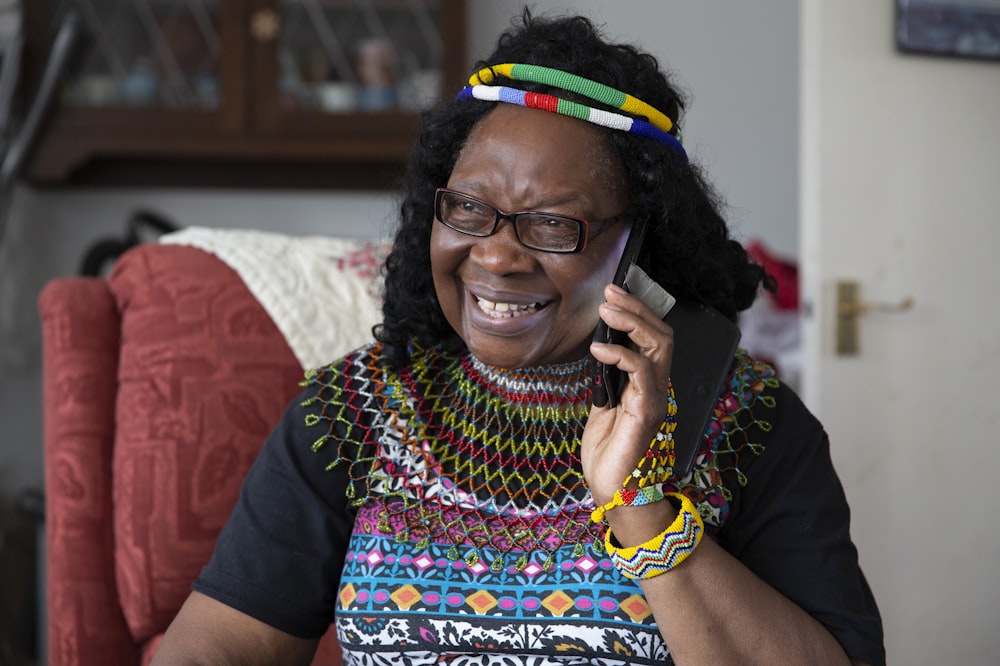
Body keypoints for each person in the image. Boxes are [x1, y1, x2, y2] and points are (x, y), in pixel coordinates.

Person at [154, 9, 884, 666]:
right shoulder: (357, 412)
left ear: (636, 250)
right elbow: (213, 648)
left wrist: (641, 505)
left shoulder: (749, 425)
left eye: (552, 224)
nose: (497, 255)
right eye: (469, 208)